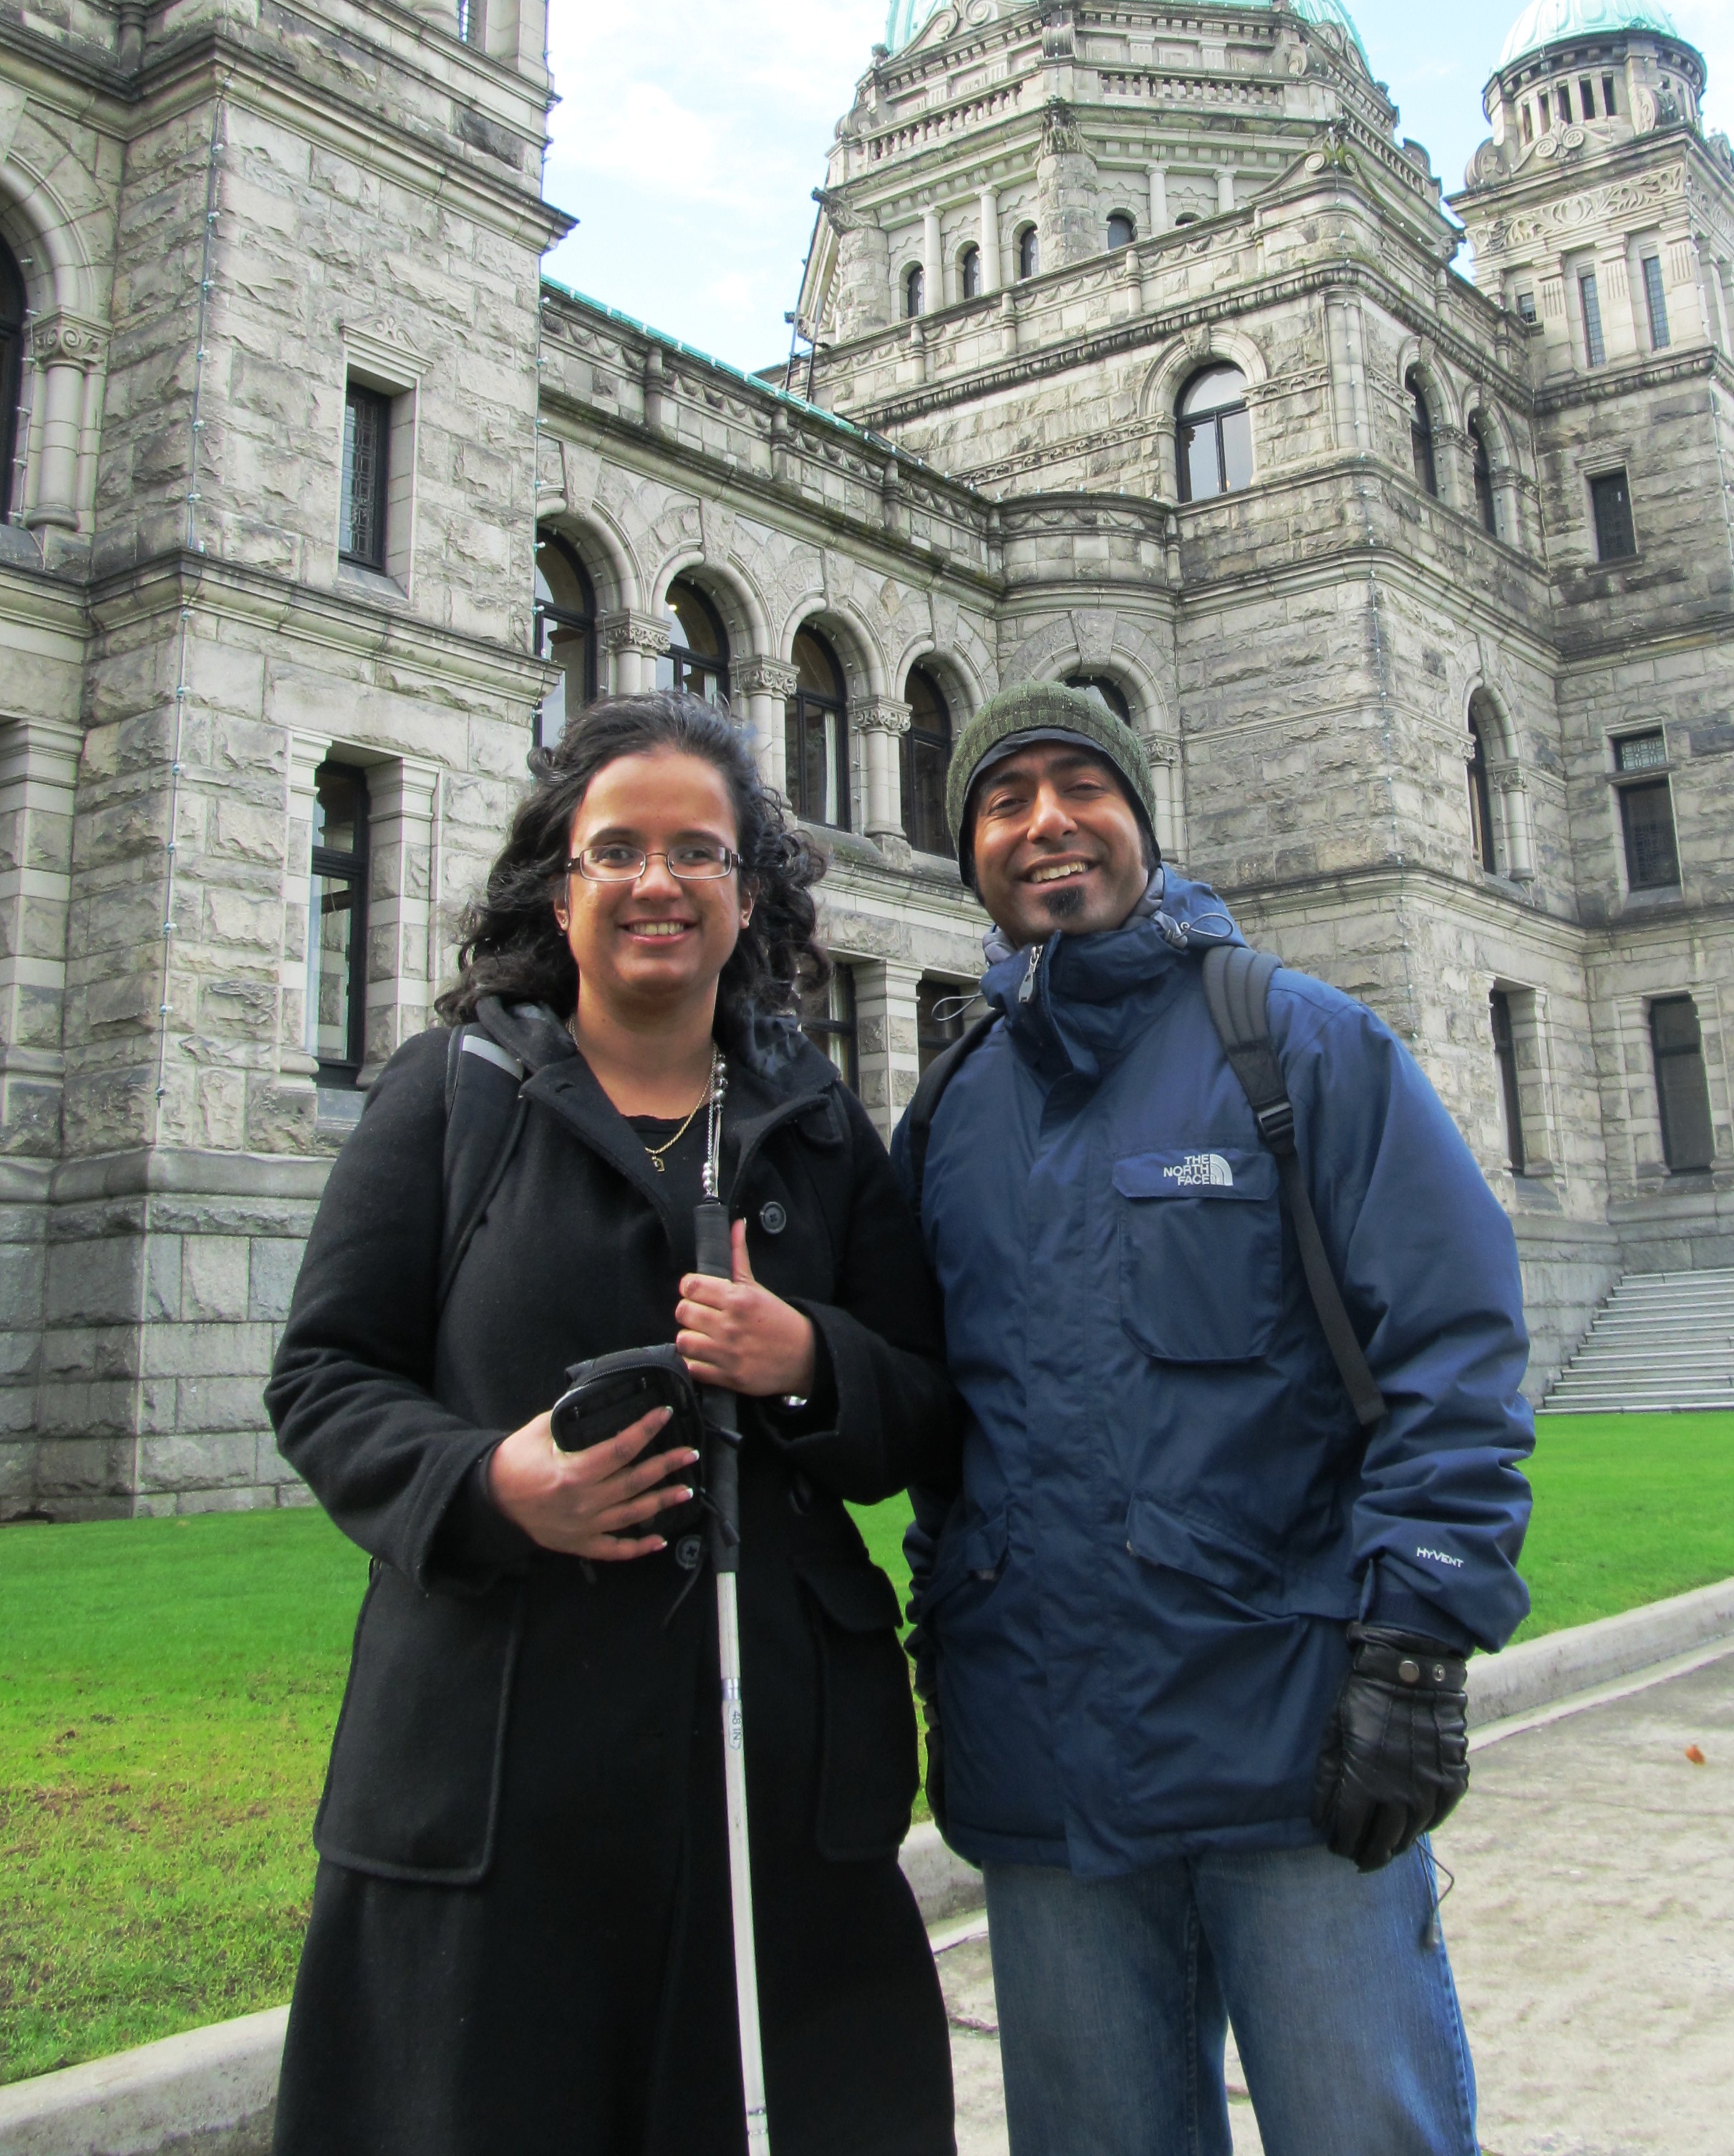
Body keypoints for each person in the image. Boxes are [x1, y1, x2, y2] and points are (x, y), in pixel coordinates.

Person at [266, 692, 957, 2156]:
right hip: (499, 1775)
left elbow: (920, 1404)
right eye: (617, 849)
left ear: (749, 891)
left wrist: (806, 1358)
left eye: (698, 849)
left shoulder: (821, 1119)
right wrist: (488, 1482)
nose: (659, 879)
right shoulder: (450, 1098)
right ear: (560, 886)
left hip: (768, 1784)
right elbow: (326, 1374)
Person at [898, 679, 1534, 2156]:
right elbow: (931, 1413)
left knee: (1364, 2131)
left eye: (1081, 786)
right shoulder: (953, 1107)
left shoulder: (1297, 1043)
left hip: (1296, 1748)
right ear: (973, 853)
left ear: (1139, 817)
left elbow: (1450, 1344)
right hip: (1045, 1766)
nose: (1047, 821)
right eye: (1005, 799)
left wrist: (1415, 1653)